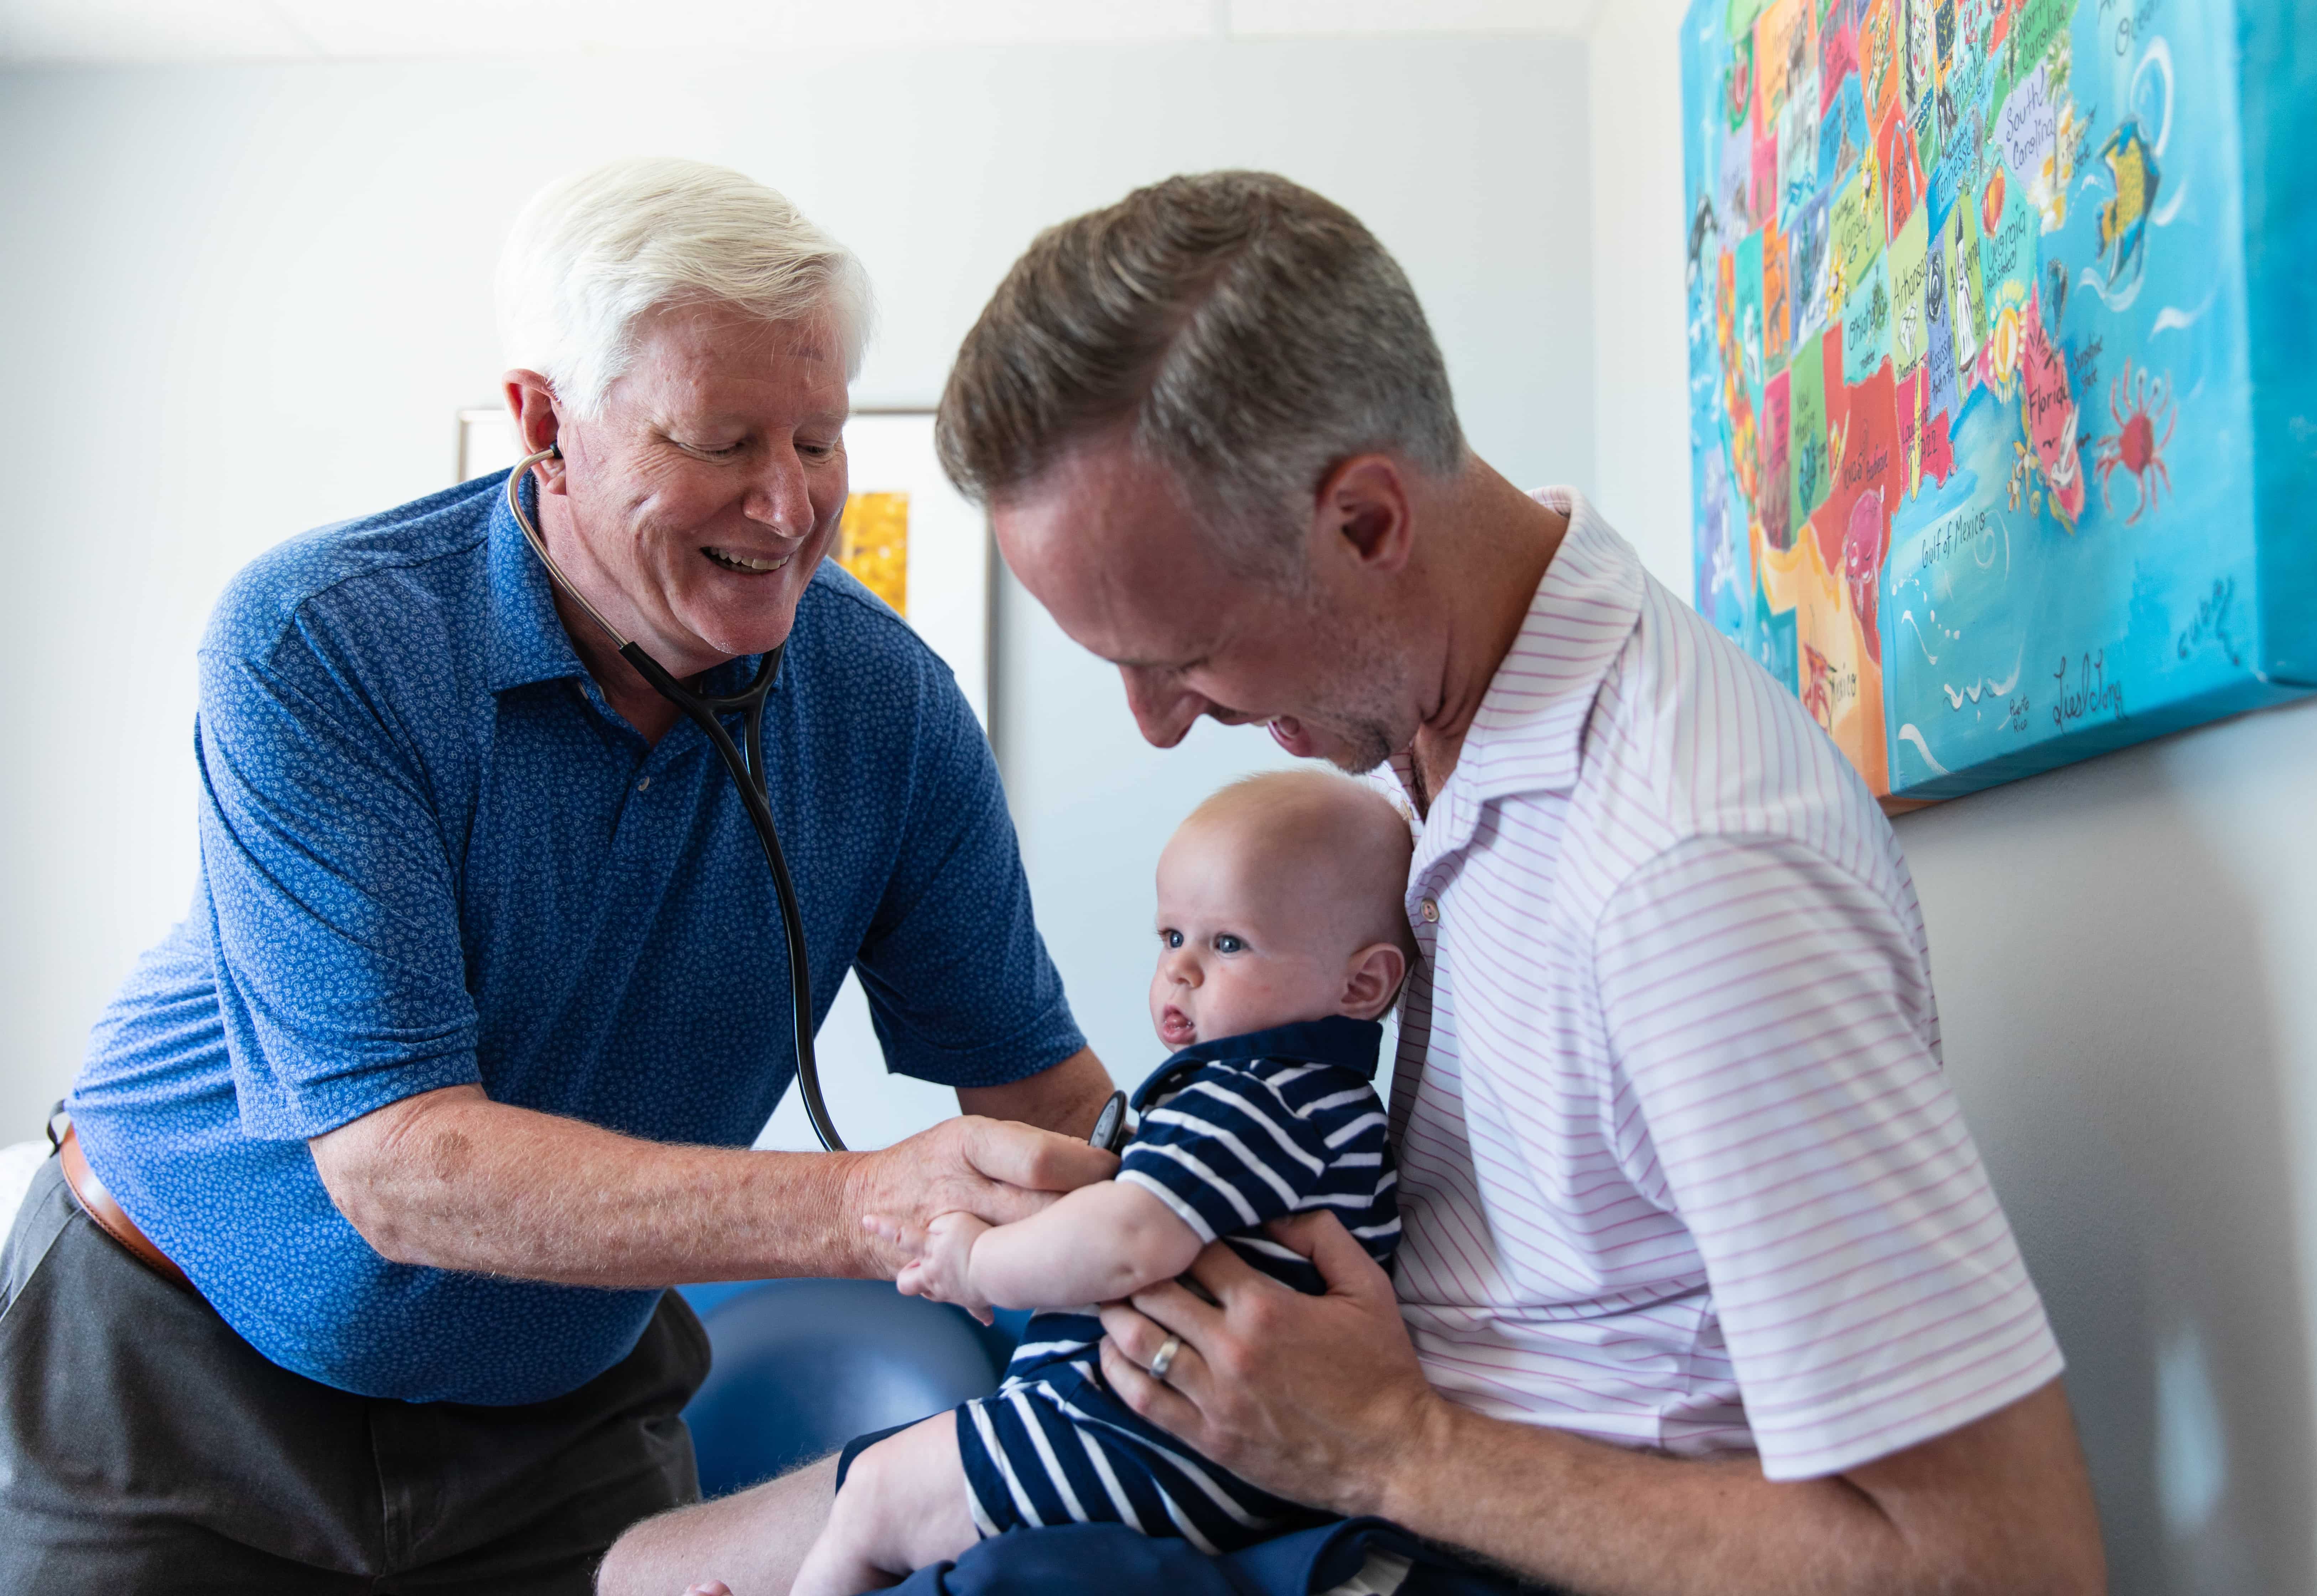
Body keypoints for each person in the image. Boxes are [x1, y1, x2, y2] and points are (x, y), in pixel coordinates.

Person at [605, 170, 2105, 1596]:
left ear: (1369, 524)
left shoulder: (1688, 875)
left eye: (1182, 657)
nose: (1158, 724)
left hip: (1434, 1526)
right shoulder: (1431, 729)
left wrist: (1400, 1445)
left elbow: (2000, 1560)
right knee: (639, 1572)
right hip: (1291, 1461)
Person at [0, 157, 1117, 1593]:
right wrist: (862, 1205)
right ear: (544, 425)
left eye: (822, 441)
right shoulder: (324, 642)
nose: (789, 509)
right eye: (723, 442)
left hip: (558, 1406)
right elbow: (401, 1169)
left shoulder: (887, 708)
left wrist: (1231, 1193)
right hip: (171, 1372)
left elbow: (1045, 1095)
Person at [791, 771, 1411, 1595]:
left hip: (1152, 1442)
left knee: (875, 1493)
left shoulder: (1256, 1096)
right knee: (909, 1520)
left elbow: (1126, 1239)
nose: (1182, 970)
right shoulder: (1316, 1105)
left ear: (1362, 985)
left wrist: (979, 1258)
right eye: (1170, 936)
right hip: (1183, 1448)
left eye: (1229, 943)